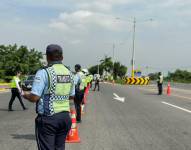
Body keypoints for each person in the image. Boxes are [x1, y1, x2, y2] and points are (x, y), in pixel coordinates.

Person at [23, 44, 75, 150]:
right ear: (62, 57)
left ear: (47, 57)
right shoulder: (69, 74)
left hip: (48, 119)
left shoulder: (44, 73)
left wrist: (25, 94)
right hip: (65, 118)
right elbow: (71, 96)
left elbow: (34, 97)